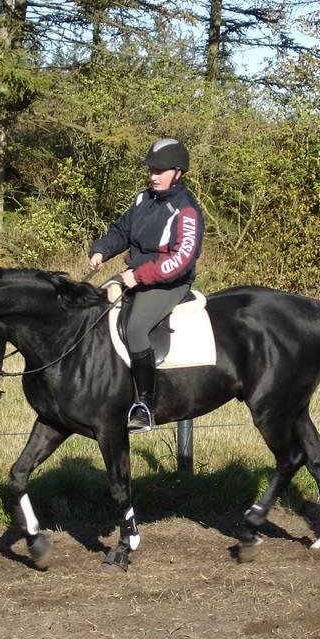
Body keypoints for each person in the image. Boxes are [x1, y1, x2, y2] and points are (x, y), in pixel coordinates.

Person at [88, 138, 204, 433]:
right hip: (136, 272)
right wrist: (102, 249)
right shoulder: (143, 199)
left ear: (178, 173)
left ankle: (144, 405)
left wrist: (138, 277)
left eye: (160, 170)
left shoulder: (187, 212)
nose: (153, 175)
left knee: (136, 327)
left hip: (169, 282)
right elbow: (121, 230)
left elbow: (181, 260)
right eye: (151, 169)